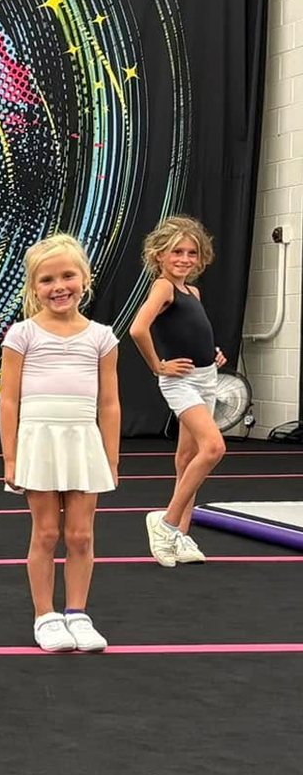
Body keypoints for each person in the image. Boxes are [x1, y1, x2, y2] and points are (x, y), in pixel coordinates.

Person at [0, 234, 119, 653]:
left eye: (68, 275)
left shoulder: (102, 337)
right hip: (40, 439)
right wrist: (10, 457)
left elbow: (109, 402)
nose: (58, 286)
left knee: (82, 536)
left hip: (83, 440)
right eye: (47, 279)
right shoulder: (22, 334)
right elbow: (9, 399)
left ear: (84, 279)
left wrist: (111, 458)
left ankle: (78, 614)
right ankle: (45, 616)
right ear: (34, 288)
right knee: (47, 532)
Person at [127, 216, 227, 567]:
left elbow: (192, 330)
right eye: (176, 252)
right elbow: (138, 328)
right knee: (213, 447)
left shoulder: (193, 292)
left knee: (188, 458)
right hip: (180, 380)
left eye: (191, 253)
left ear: (201, 258)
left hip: (205, 376)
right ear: (159, 257)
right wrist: (158, 365)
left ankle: (181, 536)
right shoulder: (163, 287)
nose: (184, 259)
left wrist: (212, 352)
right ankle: (167, 522)